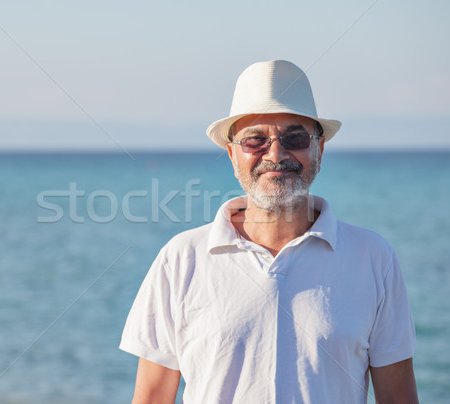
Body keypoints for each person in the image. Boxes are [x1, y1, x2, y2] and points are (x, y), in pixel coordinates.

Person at [120, 60, 418, 403]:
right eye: (255, 140)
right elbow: (153, 397)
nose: (276, 154)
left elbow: (398, 398)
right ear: (233, 155)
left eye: (295, 138)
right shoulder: (182, 257)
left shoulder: (373, 257)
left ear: (319, 150)